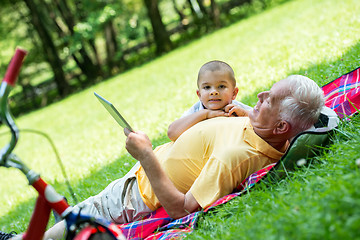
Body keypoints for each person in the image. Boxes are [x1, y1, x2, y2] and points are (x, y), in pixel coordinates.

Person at [24, 75, 324, 240]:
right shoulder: (265, 129)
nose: (260, 95)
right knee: (66, 217)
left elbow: (182, 210)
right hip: (138, 180)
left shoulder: (237, 156)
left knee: (64, 227)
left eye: (268, 99)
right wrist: (249, 111)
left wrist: (145, 157)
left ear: (282, 126)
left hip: (137, 195)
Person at [168, 60, 252, 141]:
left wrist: (245, 114)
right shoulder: (196, 111)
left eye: (221, 86)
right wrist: (205, 114)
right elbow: (172, 133)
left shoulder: (236, 109)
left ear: (234, 93)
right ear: (199, 95)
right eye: (207, 87)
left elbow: (261, 121)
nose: (214, 92)